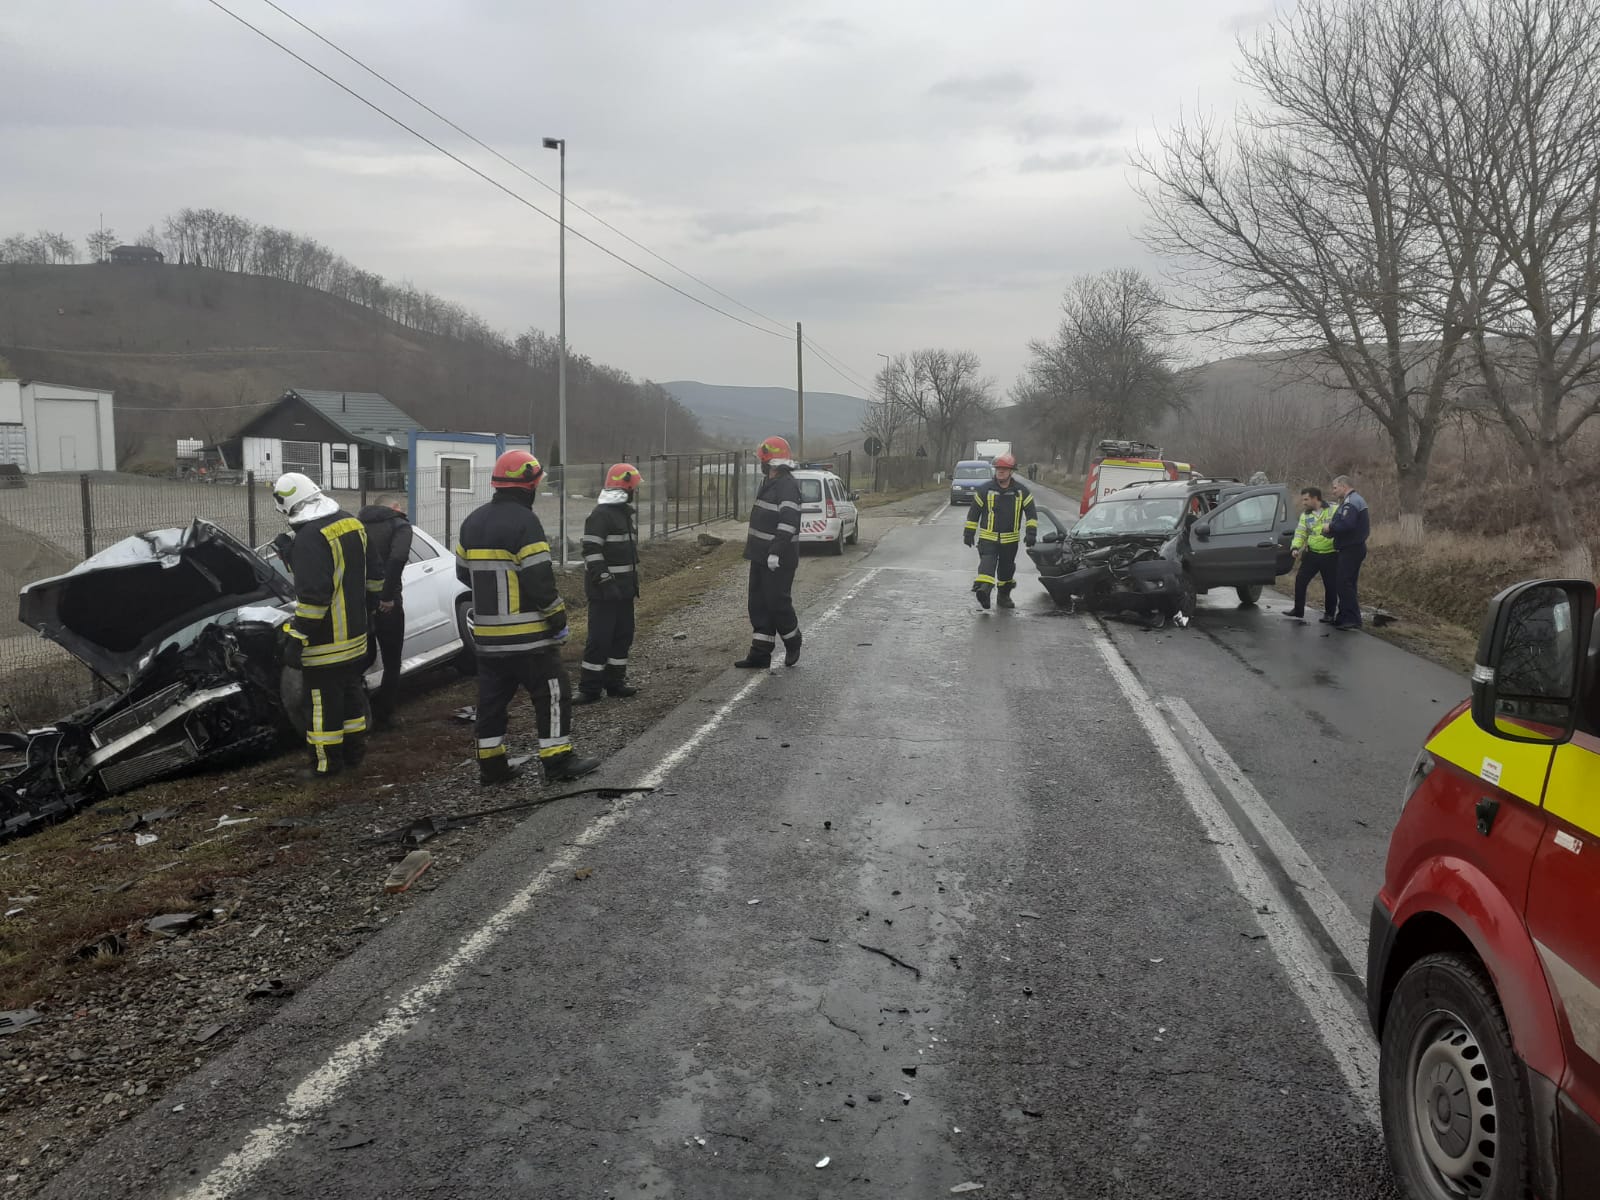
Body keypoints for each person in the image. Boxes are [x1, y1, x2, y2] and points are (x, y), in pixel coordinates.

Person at [455, 450, 599, 785]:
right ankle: (558, 760)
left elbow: (464, 574)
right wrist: (558, 618)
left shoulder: (472, 521)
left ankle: (491, 767)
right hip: (530, 637)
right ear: (528, 486)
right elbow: (539, 580)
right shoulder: (526, 523)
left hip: (488, 639)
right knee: (551, 692)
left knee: (491, 702)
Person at [271, 472, 375, 781]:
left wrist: (296, 637)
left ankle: (326, 765)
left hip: (327, 643)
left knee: (321, 705)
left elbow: (314, 598)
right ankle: (355, 752)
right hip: (356, 638)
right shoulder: (351, 523)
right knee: (351, 695)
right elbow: (373, 576)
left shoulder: (309, 539)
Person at [576, 462, 643, 704]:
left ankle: (615, 682)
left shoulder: (623, 514)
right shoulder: (601, 515)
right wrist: (605, 581)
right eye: (633, 487)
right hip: (604, 592)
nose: (635, 491)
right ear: (625, 488)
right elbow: (591, 550)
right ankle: (589, 688)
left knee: (623, 636)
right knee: (600, 639)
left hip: (624, 591)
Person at [735, 436, 803, 668]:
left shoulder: (787, 486)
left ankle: (793, 641)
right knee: (758, 604)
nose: (761, 464)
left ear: (772, 462)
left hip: (778, 558)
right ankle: (760, 653)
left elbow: (788, 521)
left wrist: (775, 551)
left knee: (777, 603)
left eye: (763, 460)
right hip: (759, 555)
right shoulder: (769, 482)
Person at [358, 494, 412, 729]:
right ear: (395, 507)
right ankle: (385, 715)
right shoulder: (399, 525)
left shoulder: (357, 525)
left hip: (359, 604)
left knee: (363, 658)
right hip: (388, 605)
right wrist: (387, 596)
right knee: (392, 662)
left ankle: (356, 708)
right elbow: (398, 558)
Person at [963, 452, 1037, 609]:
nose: (1000, 472)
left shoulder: (1021, 491)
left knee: (1006, 571)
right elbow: (973, 513)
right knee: (987, 566)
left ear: (1011, 471)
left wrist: (1031, 533)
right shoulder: (984, 490)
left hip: (1010, 542)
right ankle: (984, 592)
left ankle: (1003, 597)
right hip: (988, 539)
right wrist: (968, 532)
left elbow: (1031, 513)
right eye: (998, 469)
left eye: (1004, 469)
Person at [1283, 486, 1337, 623]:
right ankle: (1298, 610)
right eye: (1303, 500)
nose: (1304, 503)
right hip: (1312, 554)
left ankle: (1330, 614)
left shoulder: (1333, 509)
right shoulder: (1305, 515)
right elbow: (1300, 533)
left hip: (1330, 554)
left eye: (1306, 499)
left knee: (1330, 585)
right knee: (1300, 580)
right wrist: (1295, 547)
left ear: (1315, 498)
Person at [1326, 474, 1371, 632]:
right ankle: (1344, 616)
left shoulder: (1351, 502)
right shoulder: (1350, 501)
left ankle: (1352, 619)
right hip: (1349, 547)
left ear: (1344, 486)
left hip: (1352, 548)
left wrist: (1330, 528)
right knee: (1345, 583)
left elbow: (1347, 524)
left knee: (1345, 583)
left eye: (1335, 487)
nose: (1333, 491)